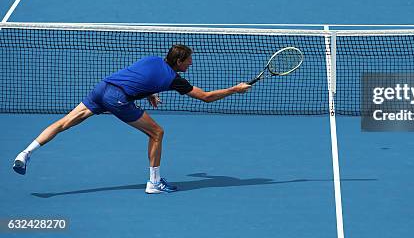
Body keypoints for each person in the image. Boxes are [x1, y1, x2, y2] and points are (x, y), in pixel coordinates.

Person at [12, 44, 251, 194]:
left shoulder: (153, 59)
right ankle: (154, 183)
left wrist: (149, 93)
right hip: (118, 98)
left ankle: (26, 153)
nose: (191, 63)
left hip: (103, 87)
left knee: (63, 123)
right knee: (157, 133)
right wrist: (235, 89)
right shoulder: (175, 80)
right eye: (188, 60)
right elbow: (206, 97)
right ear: (179, 62)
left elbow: (139, 76)